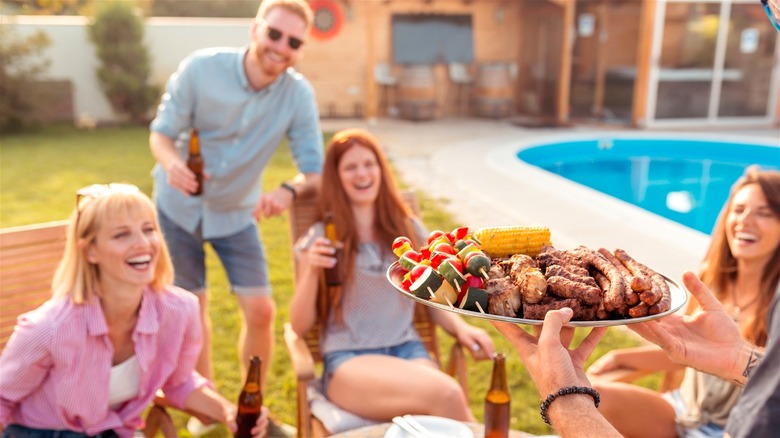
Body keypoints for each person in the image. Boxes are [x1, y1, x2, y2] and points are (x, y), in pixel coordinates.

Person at [148, 0, 323, 421]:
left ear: (301, 49)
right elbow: (161, 134)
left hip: (236, 214)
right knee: (192, 308)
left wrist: (288, 189)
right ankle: (205, 411)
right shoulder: (200, 69)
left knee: (262, 310)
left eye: (293, 41)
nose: (281, 47)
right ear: (255, 29)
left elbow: (313, 169)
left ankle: (250, 407)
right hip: (178, 208)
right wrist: (173, 165)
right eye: (274, 34)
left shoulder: (297, 94)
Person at [0, 183, 269, 438]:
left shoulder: (179, 311)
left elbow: (179, 382)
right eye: (122, 234)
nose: (143, 243)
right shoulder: (49, 329)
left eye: (148, 229)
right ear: (90, 251)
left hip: (113, 430)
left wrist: (228, 412)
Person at [288, 129, 496, 423]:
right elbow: (298, 326)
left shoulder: (407, 229)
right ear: (337, 177)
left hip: (408, 350)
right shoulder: (322, 238)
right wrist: (310, 270)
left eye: (368, 164)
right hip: (349, 359)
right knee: (447, 395)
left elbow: (432, 296)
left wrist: (460, 328)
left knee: (439, 416)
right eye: (350, 167)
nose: (362, 173)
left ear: (380, 169)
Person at [586, 167, 780, 437]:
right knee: (587, 398)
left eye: (765, 213)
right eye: (739, 210)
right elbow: (693, 351)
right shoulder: (709, 280)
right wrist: (624, 357)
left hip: (736, 427)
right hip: (684, 410)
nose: (745, 220)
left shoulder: (776, 306)